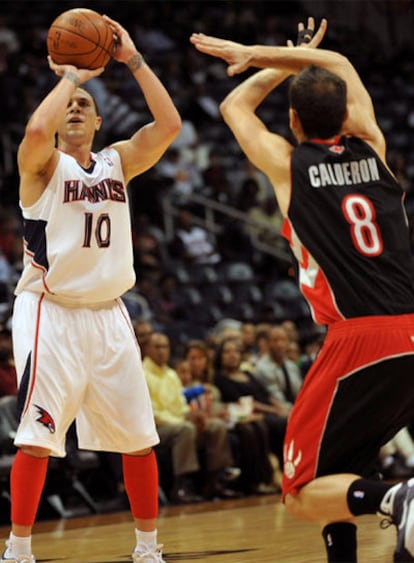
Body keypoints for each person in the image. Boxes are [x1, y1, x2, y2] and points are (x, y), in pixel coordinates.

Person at [191, 16, 414, 563]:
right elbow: (337, 64)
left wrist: (262, 63)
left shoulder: (288, 164)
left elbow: (232, 110)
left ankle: (398, 496)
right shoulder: (374, 147)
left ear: (292, 119)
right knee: (342, 462)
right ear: (346, 115)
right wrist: (279, 53)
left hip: (360, 335)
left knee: (298, 492)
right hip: (411, 328)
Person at [3, 14, 181, 563]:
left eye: (85, 105)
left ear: (101, 122)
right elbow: (36, 130)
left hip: (108, 313)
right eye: (68, 107)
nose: (76, 109)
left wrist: (133, 61)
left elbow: (169, 124)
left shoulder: (118, 161)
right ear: (59, 118)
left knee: (138, 437)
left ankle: (148, 548)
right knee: (37, 436)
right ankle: (19, 548)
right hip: (48, 311)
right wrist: (72, 77)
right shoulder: (40, 165)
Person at [143, 332, 238, 502]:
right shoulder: (141, 374)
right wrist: (185, 420)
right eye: (157, 347)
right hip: (155, 427)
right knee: (185, 429)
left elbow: (181, 406)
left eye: (165, 347)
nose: (162, 351)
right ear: (147, 349)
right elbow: (150, 413)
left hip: (176, 423)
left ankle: (214, 482)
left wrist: (193, 415)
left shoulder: (171, 374)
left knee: (215, 425)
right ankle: (181, 486)